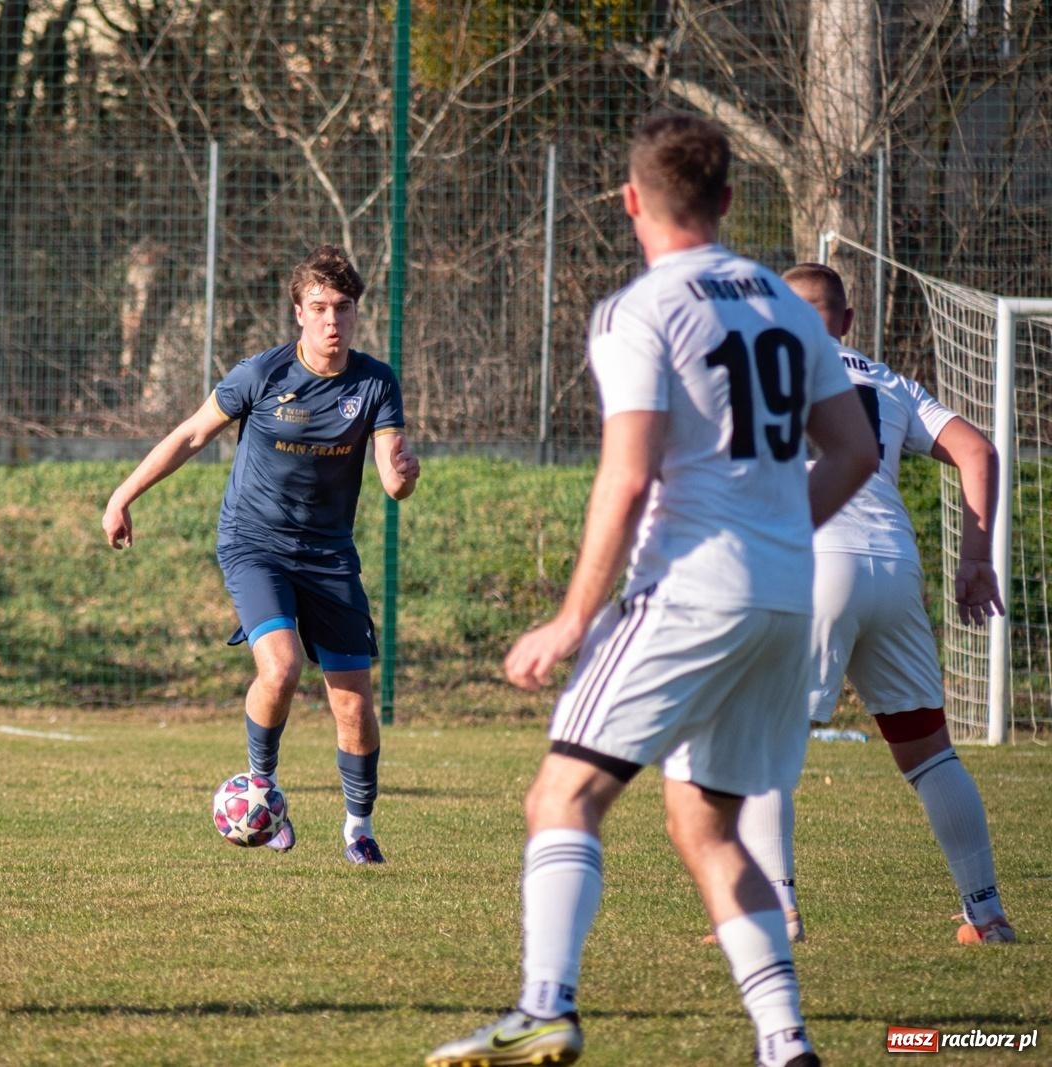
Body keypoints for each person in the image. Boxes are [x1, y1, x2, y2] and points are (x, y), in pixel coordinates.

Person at [425, 113, 878, 1067]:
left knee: (564, 793)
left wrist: (571, 616)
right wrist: (781, 532)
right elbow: (856, 450)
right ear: (726, 201)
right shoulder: (791, 306)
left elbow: (627, 477)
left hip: (688, 591)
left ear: (631, 201)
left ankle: (545, 1004)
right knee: (706, 823)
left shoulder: (644, 308)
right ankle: (786, 1044)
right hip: (786, 598)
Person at [103, 245, 419, 864]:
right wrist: (122, 494)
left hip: (329, 556)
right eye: (320, 307)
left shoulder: (376, 382)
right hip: (255, 545)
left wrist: (405, 477)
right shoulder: (262, 374)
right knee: (279, 669)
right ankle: (261, 785)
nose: (333, 321)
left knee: (353, 702)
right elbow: (191, 434)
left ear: (357, 314)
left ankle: (358, 829)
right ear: (298, 313)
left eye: (344, 309)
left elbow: (391, 476)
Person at [727, 262, 1013, 946]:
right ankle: (987, 914)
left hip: (812, 558)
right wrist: (975, 559)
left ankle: (777, 913)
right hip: (893, 564)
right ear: (848, 321)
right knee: (929, 753)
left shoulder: (757, 367)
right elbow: (979, 451)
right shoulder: (889, 381)